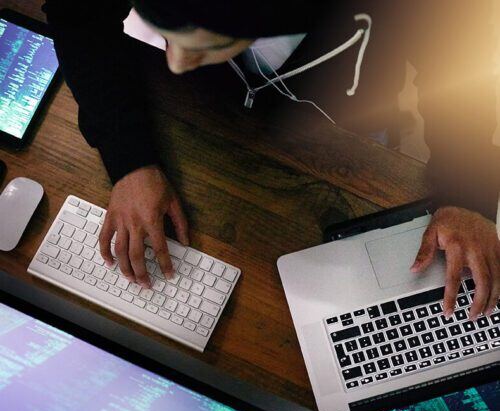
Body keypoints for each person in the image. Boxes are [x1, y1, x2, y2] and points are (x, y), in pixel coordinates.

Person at [43, 0, 499, 319]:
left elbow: (460, 74)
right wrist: (130, 158)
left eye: (205, 41)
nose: (177, 63)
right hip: (207, 127)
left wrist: (465, 193)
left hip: (346, 136)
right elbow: (76, 15)